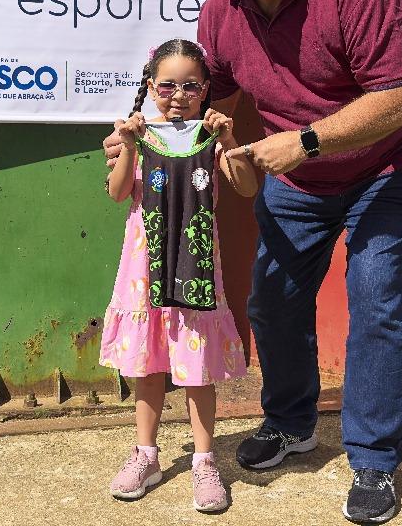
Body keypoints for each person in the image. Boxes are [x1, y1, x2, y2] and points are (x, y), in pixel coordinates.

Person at [104, 0, 402, 525]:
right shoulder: (221, 11)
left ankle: (373, 461)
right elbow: (208, 96)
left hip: (390, 163)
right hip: (300, 174)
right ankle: (292, 424)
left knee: (375, 295)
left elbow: (401, 98)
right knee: (274, 299)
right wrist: (149, 135)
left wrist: (307, 142)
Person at [99, 38, 258, 513]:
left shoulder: (211, 140)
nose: (178, 94)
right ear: (151, 87)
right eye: (167, 85)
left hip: (196, 266)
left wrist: (230, 140)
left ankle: (204, 461)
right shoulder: (137, 134)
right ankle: (145, 454)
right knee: (146, 366)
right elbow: (117, 192)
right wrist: (127, 145)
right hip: (142, 270)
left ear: (206, 90)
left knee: (196, 371)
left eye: (191, 86)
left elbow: (246, 187)